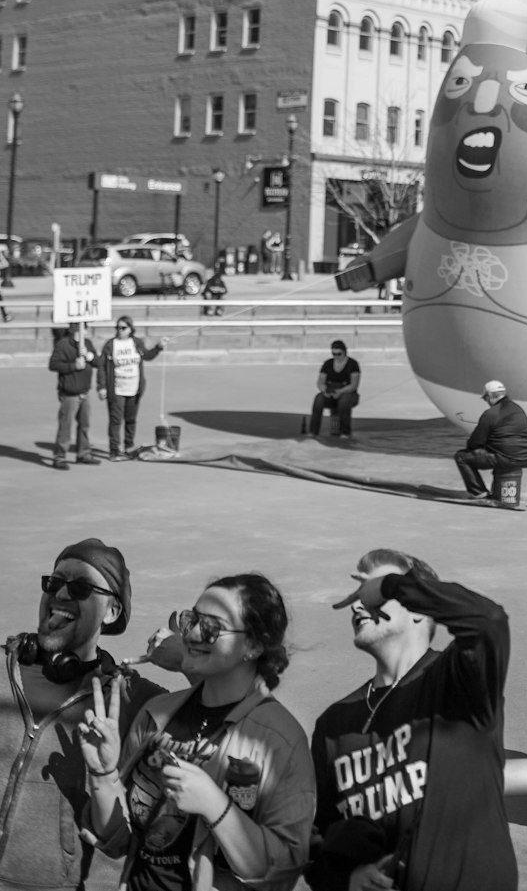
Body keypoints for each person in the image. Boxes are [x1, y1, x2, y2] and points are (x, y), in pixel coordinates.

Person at [81, 571, 315, 891]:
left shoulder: (280, 739)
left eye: (211, 627)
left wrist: (214, 805)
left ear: (254, 646)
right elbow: (119, 840)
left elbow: (283, 872)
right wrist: (103, 775)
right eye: (191, 619)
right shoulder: (157, 714)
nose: (191, 635)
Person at [307, 548, 517, 891]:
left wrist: (390, 586)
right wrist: (347, 878)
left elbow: (487, 621)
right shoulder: (334, 724)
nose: (360, 603)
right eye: (361, 590)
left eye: (372, 590)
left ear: (420, 611)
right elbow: (316, 841)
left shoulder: (458, 681)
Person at [0, 538, 166, 891]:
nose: (60, 594)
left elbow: (119, 841)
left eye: (80, 588)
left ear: (111, 612)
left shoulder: (136, 701)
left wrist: (183, 661)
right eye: (54, 582)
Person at [96, 315, 165, 460]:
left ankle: (128, 446)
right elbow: (101, 366)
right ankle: (114, 450)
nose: (120, 330)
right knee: (116, 420)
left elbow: (147, 356)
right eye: (118, 328)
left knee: (131, 419)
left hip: (134, 388)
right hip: (116, 389)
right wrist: (101, 387)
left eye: (123, 328)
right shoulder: (111, 345)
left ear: (130, 329)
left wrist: (158, 347)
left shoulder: (136, 343)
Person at [453, 380, 527, 499]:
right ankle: (500, 493)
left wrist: (474, 448)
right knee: (500, 453)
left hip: (506, 458)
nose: (486, 401)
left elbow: (475, 442)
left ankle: (478, 492)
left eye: (485, 398)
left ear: (490, 396)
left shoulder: (490, 414)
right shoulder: (518, 409)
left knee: (461, 457)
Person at [48, 323, 101, 469]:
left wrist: (90, 356)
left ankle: (83, 453)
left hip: (85, 391)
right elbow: (53, 364)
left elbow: (98, 362)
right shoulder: (63, 345)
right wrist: (73, 366)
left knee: (84, 425)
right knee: (66, 425)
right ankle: (59, 457)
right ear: (76, 329)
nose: (86, 331)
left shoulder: (88, 344)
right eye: (84, 328)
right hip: (69, 393)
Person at [310, 340, 362, 439]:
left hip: (348, 393)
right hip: (330, 392)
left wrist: (340, 391)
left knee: (344, 401)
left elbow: (354, 385)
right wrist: (324, 390)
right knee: (318, 399)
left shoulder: (353, 364)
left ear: (344, 352)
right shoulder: (327, 364)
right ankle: (313, 431)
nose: (336, 356)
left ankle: (345, 432)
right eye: (334, 354)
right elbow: (320, 382)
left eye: (339, 354)